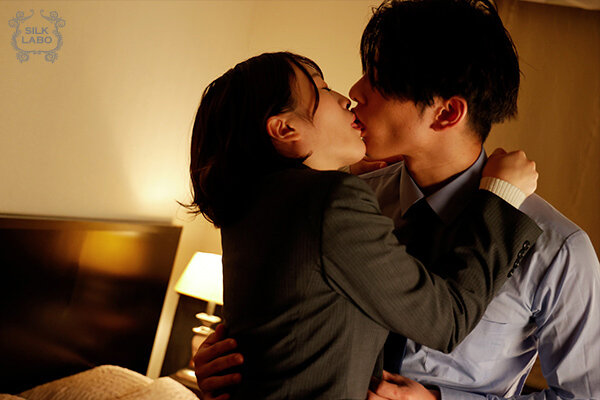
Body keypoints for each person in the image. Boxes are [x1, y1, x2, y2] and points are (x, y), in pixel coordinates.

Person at [193, 1, 600, 399]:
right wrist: (236, 363)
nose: (354, 92)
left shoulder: (558, 249)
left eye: (379, 79)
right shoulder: (345, 200)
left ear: (446, 114)